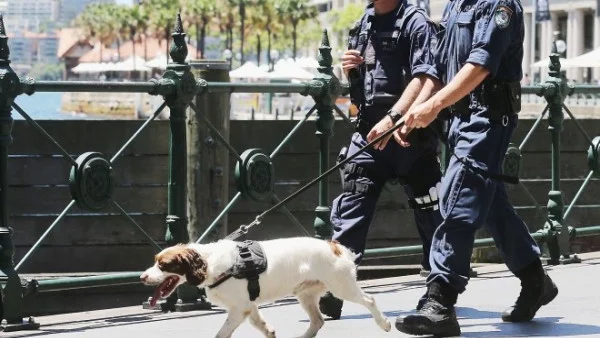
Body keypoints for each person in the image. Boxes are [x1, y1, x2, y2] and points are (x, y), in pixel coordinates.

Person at [392, 0, 559, 336]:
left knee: (458, 198)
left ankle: (440, 299)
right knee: (492, 205)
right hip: (459, 119)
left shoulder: (499, 5)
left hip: (488, 119)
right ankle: (534, 279)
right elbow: (439, 70)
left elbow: (480, 65)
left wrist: (433, 106)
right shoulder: (457, 5)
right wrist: (406, 115)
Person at [318, 0, 446, 320]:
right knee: (351, 209)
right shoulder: (364, 23)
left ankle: (438, 291)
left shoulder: (416, 23)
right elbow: (362, 85)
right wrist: (350, 70)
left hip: (410, 136)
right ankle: (335, 287)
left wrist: (394, 118)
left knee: (430, 212)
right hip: (369, 135)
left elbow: (424, 77)